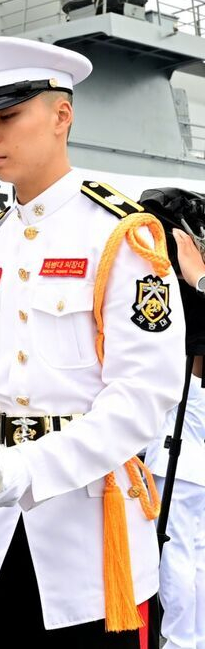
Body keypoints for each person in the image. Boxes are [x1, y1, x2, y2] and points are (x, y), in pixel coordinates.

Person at [0, 35, 185, 648]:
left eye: (7, 116)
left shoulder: (121, 237)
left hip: (88, 536)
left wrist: (26, 467)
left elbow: (141, 398)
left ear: (61, 114)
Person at [144, 228, 205, 649]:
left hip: (181, 449)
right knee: (191, 554)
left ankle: (182, 641)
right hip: (182, 444)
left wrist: (197, 279)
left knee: (181, 552)